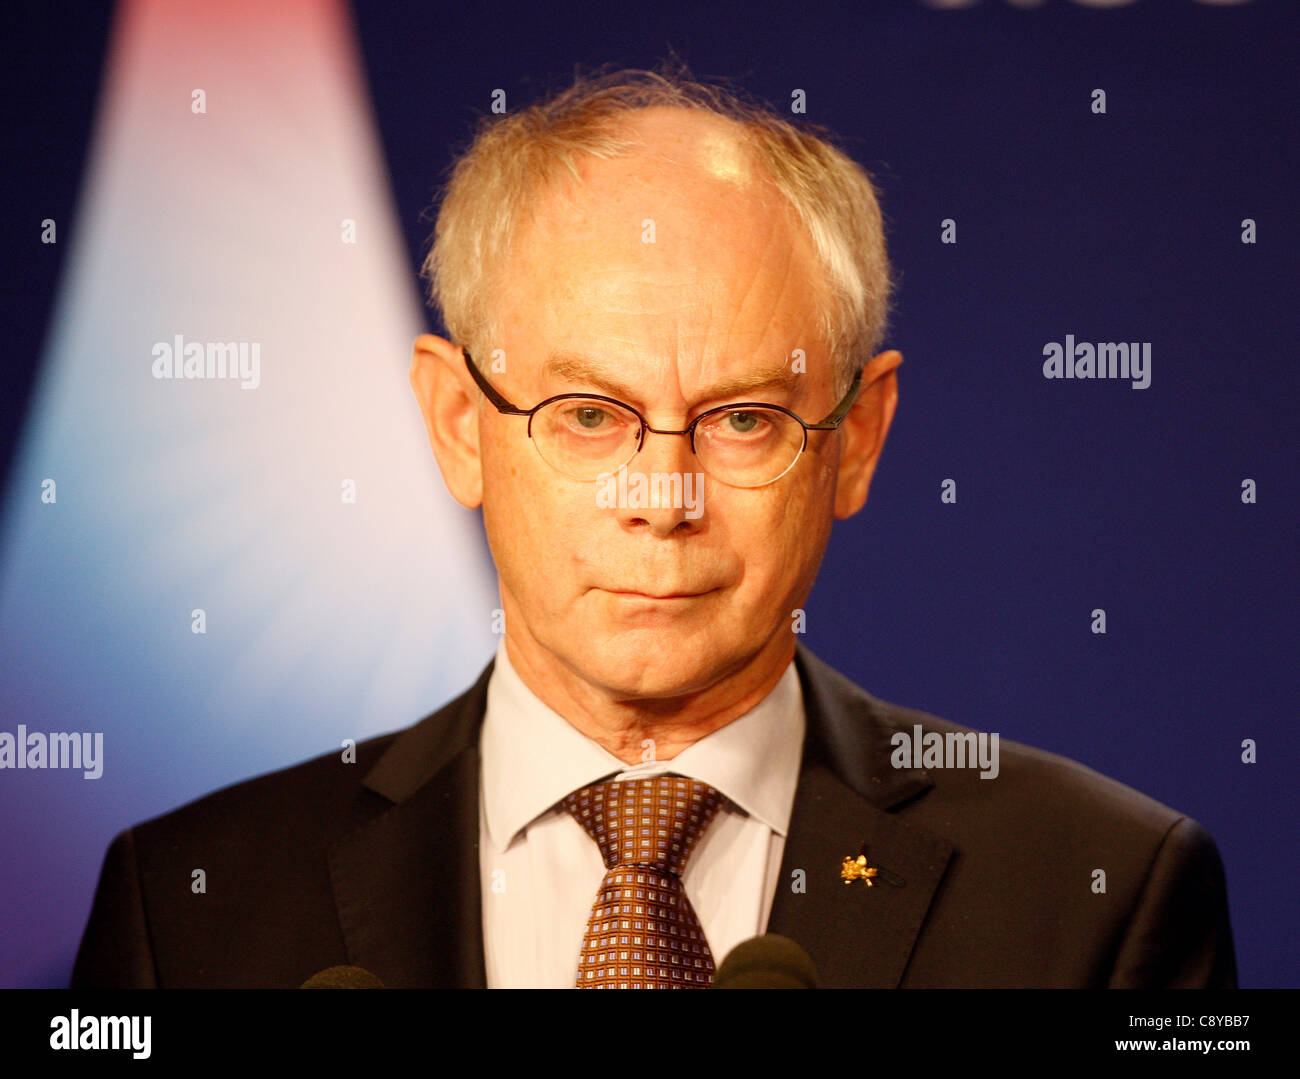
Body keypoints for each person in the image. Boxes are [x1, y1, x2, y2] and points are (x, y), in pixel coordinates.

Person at [72, 67, 1235, 989]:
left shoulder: (1095, 894)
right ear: (458, 424)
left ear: (859, 436)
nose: (661, 496)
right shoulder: (190, 903)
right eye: (586, 415)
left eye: (740, 419)